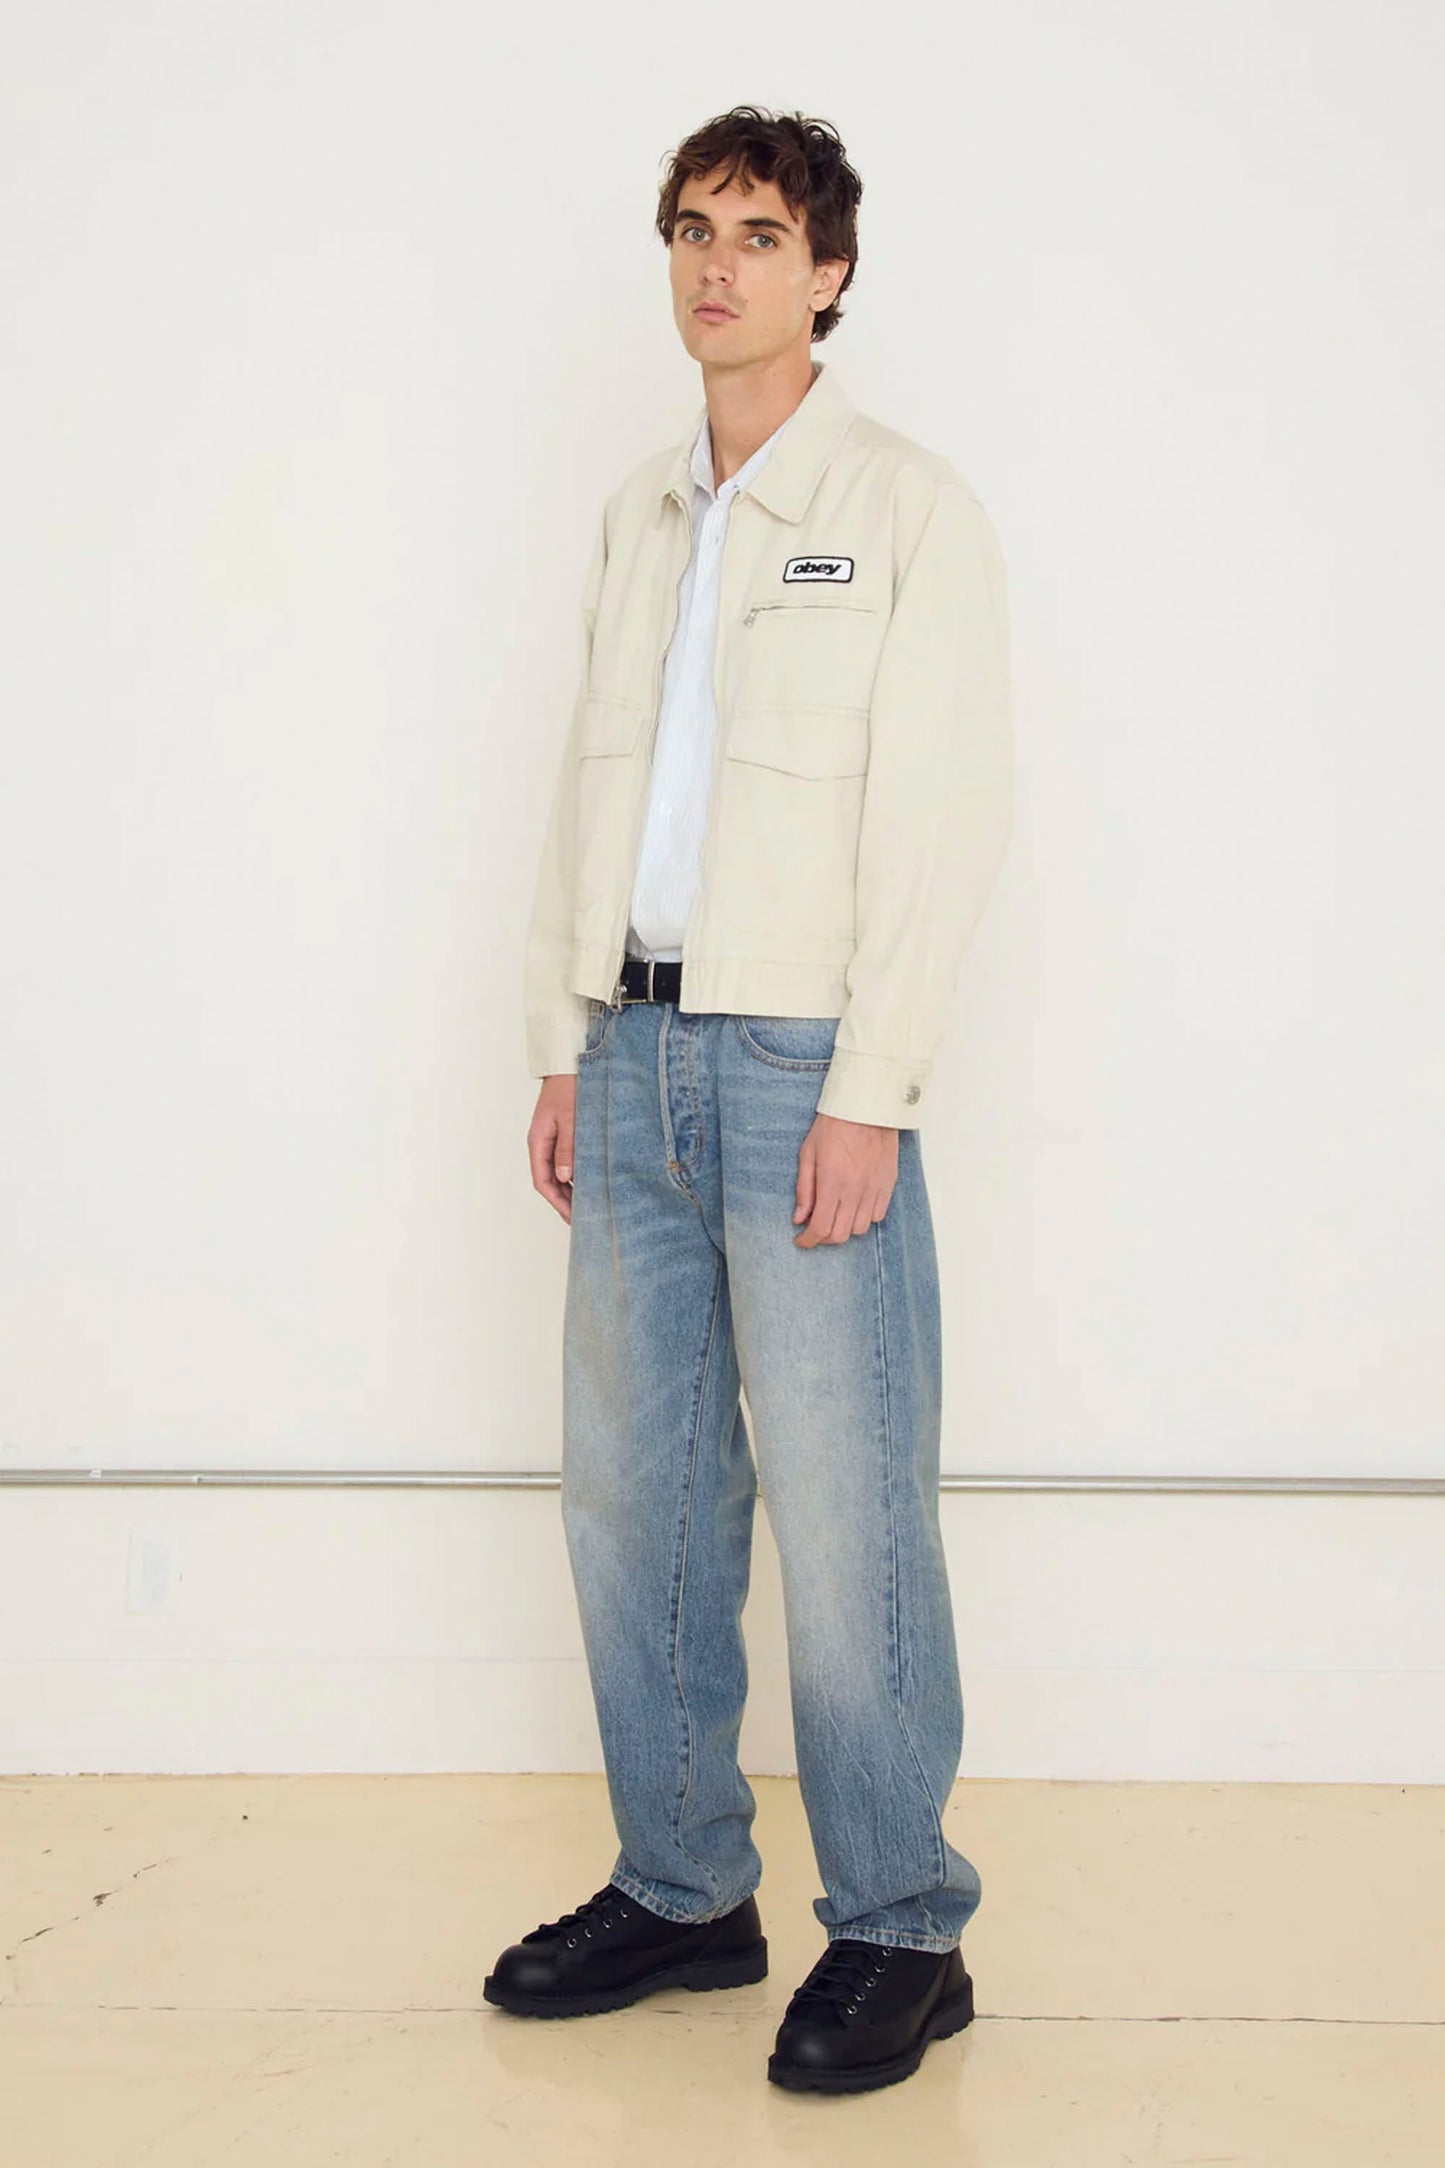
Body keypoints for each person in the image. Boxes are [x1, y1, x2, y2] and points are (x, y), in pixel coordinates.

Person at [487, 104, 1014, 2095]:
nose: (718, 265)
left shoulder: (905, 508)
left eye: (760, 232)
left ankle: (900, 1927)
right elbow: (590, 788)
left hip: (805, 1067)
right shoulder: (642, 516)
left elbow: (943, 820)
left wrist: (870, 1088)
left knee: (851, 1506)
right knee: (632, 1505)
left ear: (831, 272)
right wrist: (563, 1040)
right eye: (692, 230)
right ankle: (686, 1883)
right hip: (629, 1056)